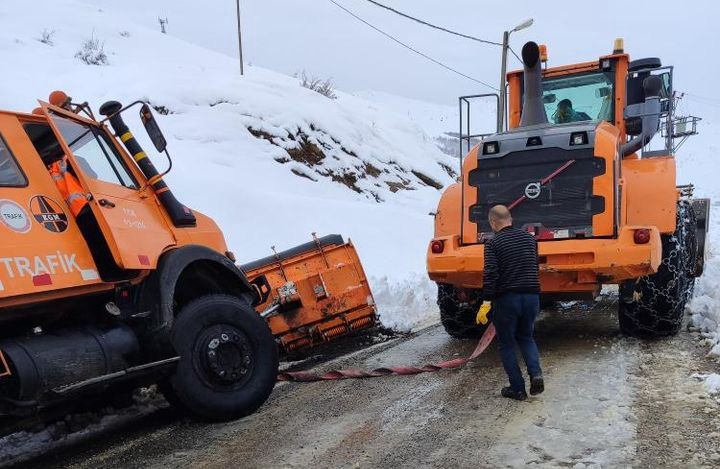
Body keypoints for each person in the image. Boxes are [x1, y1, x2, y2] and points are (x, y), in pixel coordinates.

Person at [480, 205, 543, 401]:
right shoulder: (530, 239)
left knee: (507, 344)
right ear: (510, 219)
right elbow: (534, 266)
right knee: (526, 338)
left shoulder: (493, 243)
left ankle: (517, 389)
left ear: (492, 222)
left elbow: (491, 273)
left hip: (508, 299)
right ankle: (536, 374)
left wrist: (486, 301)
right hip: (532, 297)